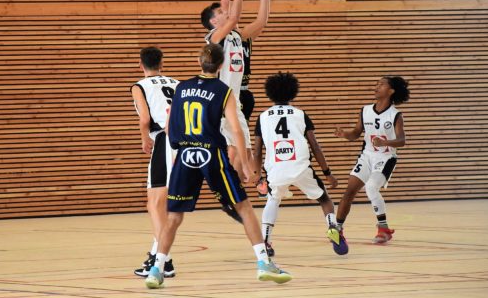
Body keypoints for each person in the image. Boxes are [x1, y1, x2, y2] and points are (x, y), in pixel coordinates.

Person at [144, 44, 292, 289]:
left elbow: (170, 126)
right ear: (222, 65)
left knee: (174, 216)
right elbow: (236, 129)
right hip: (211, 154)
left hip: (185, 154)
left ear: (199, 62)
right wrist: (246, 165)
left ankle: (156, 269)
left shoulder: (181, 87)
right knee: (243, 207)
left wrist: (179, 150)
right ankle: (264, 263)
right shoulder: (223, 90)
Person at [253, 72, 341, 257]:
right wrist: (327, 173)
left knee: (273, 200)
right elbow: (315, 146)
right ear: (293, 92)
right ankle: (333, 226)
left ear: (270, 93)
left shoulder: (262, 117)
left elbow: (258, 150)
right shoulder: (300, 114)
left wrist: (257, 175)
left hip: (276, 168)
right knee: (324, 199)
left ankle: (266, 242)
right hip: (300, 166)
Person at [200, 0, 273, 180]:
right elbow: (232, 16)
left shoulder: (236, 35)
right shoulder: (214, 37)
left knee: (243, 150)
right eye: (220, 12)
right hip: (220, 98)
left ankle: (238, 183)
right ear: (214, 21)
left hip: (234, 98)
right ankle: (236, 182)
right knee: (236, 149)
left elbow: (260, 21)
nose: (226, 10)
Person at [331, 76, 410, 254]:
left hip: (385, 158)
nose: (377, 86)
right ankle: (338, 229)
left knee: (371, 187)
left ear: (391, 91)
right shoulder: (365, 110)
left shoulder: (395, 115)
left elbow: (402, 140)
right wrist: (345, 134)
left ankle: (383, 228)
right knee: (349, 191)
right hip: (366, 156)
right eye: (377, 83)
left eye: (381, 84)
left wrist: (386, 142)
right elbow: (356, 133)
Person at [130, 47, 179, 277]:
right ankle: (156, 256)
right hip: (187, 142)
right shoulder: (178, 83)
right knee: (163, 204)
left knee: (155, 203)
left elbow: (145, 119)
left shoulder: (139, 86)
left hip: (165, 140)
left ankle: (163, 261)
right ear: (162, 63)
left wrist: (144, 139)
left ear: (140, 64)